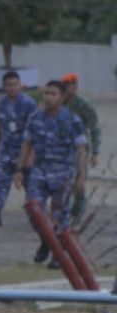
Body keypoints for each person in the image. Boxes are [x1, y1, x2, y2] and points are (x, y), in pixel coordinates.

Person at [14, 80, 86, 260]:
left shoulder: (72, 120)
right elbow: (27, 144)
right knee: (33, 209)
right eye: (46, 93)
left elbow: (81, 149)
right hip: (40, 171)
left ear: (62, 97)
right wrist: (19, 170)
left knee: (60, 214)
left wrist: (81, 177)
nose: (48, 97)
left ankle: (58, 255)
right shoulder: (35, 118)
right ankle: (47, 241)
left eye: (53, 94)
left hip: (64, 173)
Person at [0, 70, 36, 227]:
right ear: (3, 86)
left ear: (20, 85)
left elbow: (35, 130)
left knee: (31, 186)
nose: (12, 88)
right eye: (8, 85)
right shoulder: (2, 103)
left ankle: (37, 217)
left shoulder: (28, 103)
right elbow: (1, 126)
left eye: (15, 84)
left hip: (23, 150)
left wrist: (32, 155)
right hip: (6, 150)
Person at [60, 73, 100, 222]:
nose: (67, 89)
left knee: (79, 182)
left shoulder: (83, 105)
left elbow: (94, 128)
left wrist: (95, 151)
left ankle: (77, 213)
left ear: (75, 87)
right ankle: (61, 213)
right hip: (61, 148)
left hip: (79, 149)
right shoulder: (59, 103)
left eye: (70, 86)